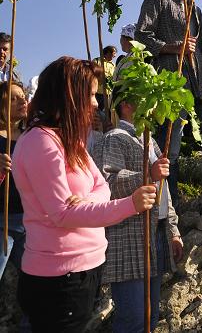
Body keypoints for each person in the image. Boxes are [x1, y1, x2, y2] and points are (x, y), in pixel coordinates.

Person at [12, 57, 156, 332]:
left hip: (80, 272)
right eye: (89, 94)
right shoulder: (41, 142)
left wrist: (86, 200)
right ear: (68, 96)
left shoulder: (69, 140)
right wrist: (130, 205)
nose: (95, 103)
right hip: (58, 277)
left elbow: (101, 185)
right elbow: (61, 213)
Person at [135, 0, 202, 231]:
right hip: (171, 83)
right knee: (168, 149)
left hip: (200, 86)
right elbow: (141, 36)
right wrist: (173, 46)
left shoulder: (196, 11)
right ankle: (167, 214)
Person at [96, 90, 182, 333]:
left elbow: (164, 192)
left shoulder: (150, 140)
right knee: (133, 319)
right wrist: (146, 175)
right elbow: (107, 183)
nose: (152, 104)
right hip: (128, 239)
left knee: (150, 317)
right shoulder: (115, 137)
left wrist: (173, 230)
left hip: (155, 233)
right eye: (145, 98)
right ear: (125, 104)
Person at [0, 81, 28, 287]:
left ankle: (31, 320)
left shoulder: (32, 136)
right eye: (12, 98)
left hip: (29, 222)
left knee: (34, 281)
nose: (21, 101)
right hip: (2, 222)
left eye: (22, 96)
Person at [93, 45, 117, 111]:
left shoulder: (113, 65)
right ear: (108, 53)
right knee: (95, 112)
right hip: (97, 92)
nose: (114, 56)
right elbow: (91, 73)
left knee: (105, 113)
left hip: (108, 94)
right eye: (114, 53)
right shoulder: (97, 61)